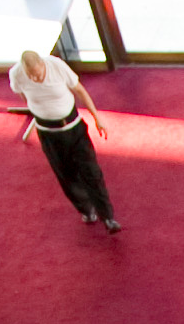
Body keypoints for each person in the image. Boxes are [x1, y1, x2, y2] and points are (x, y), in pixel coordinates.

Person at [12, 42, 115, 232]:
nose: (36, 78)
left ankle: (108, 216)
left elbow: (80, 90)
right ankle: (86, 209)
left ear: (43, 64)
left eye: (38, 74)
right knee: (66, 175)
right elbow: (22, 95)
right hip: (48, 133)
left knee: (91, 171)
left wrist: (97, 118)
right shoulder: (16, 74)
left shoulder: (56, 66)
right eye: (31, 75)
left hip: (73, 127)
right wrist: (39, 109)